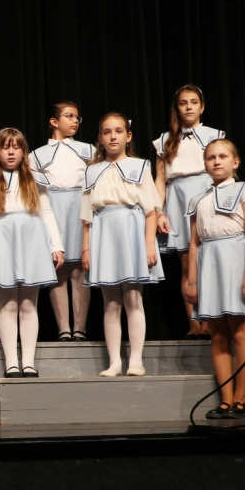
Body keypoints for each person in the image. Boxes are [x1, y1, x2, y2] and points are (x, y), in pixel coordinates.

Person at [185, 139, 245, 419]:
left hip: (236, 260)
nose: (216, 161)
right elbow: (194, 243)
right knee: (218, 334)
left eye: (222, 156)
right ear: (205, 164)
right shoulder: (198, 199)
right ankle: (226, 399)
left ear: (235, 162)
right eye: (211, 157)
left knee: (241, 331)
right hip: (209, 262)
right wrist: (193, 281)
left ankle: (241, 400)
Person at [0, 128, 64, 378]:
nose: (11, 152)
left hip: (31, 239)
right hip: (1, 239)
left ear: (24, 151)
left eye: (16, 147)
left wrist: (56, 245)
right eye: (5, 147)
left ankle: (28, 362)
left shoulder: (35, 179)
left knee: (29, 303)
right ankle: (12, 362)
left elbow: (46, 213)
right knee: (8, 302)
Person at [81, 113, 164, 377]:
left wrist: (149, 244)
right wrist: (86, 249)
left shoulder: (140, 166)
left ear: (128, 136)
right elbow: (86, 216)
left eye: (118, 131)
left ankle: (136, 360)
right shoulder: (92, 171)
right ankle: (115, 362)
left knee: (133, 297)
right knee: (110, 302)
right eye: (107, 132)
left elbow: (150, 211)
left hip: (132, 231)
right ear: (100, 138)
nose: (113, 136)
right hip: (104, 232)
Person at [153, 85, 225, 340]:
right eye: (183, 103)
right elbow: (160, 180)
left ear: (202, 107)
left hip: (207, 195)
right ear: (177, 108)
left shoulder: (215, 135)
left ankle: (211, 320)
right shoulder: (165, 140)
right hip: (177, 200)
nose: (189, 107)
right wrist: (159, 212)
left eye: (194, 102)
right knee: (187, 265)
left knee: (209, 261)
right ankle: (194, 322)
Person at [31, 101, 94, 341]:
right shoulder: (37, 155)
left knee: (79, 268)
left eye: (77, 117)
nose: (75, 121)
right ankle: (63, 329)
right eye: (69, 116)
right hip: (51, 207)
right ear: (54, 121)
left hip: (79, 206)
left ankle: (80, 328)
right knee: (58, 269)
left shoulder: (88, 150)